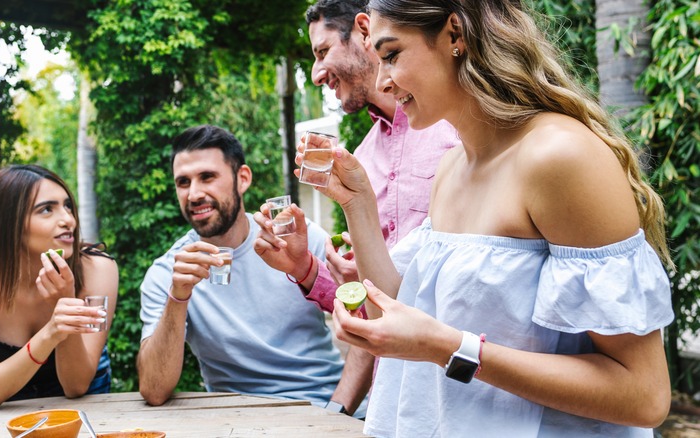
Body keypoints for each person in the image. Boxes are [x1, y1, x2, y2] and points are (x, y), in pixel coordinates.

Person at [307, 0, 675, 436]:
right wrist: (358, 204)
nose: (383, 82)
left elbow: (645, 395)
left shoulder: (559, 156)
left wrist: (448, 348)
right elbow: (401, 308)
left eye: (391, 56)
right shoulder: (452, 168)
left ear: (455, 35)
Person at [136, 124, 367, 417]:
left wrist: (336, 413)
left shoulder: (296, 239)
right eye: (183, 182)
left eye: (207, 177)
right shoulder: (167, 273)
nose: (194, 193)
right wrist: (178, 296)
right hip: (238, 422)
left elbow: (368, 323)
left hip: (324, 408)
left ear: (242, 178)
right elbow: (154, 390)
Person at [299, 0, 459, 300]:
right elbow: (379, 296)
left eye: (323, 52)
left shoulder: (458, 122)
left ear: (363, 31)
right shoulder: (362, 157)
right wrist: (303, 267)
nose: (316, 74)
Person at [0, 164, 118, 409]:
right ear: (9, 222)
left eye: (67, 206)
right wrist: (52, 331)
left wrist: (64, 302)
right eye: (47, 210)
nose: (68, 220)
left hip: (87, 407)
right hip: (6, 409)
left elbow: (76, 386)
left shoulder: (97, 269)